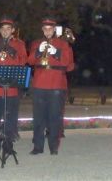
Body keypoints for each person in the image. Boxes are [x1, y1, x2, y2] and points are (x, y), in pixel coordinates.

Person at [28, 17, 74, 155]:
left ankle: (53, 146)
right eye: (45, 29)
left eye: (50, 29)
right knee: (38, 117)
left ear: (54, 30)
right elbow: (29, 60)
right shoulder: (37, 43)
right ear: (42, 30)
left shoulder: (63, 44)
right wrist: (37, 51)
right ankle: (37, 146)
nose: (48, 31)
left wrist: (56, 52)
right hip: (39, 84)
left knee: (55, 117)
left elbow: (69, 64)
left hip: (56, 85)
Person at [0, 18, 27, 156]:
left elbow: (23, 61)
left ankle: (8, 146)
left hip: (11, 88)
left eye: (8, 29)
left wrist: (13, 52)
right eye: (3, 29)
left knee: (10, 118)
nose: (5, 31)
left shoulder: (19, 44)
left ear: (13, 30)